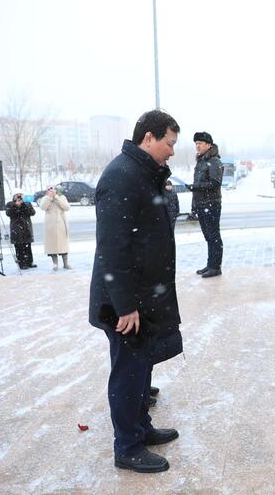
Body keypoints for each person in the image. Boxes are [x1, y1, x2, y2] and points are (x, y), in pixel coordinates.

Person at [88, 109, 184, 473]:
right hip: (124, 304)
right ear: (148, 138)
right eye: (169, 143)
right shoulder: (122, 177)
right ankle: (126, 446)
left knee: (141, 367)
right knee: (128, 372)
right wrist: (125, 305)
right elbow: (113, 248)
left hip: (142, 297)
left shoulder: (142, 173)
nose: (172, 151)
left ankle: (140, 428)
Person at [190, 131, 224, 278]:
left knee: (213, 236)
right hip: (202, 204)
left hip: (211, 204)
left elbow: (215, 183)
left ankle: (215, 267)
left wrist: (196, 186)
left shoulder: (214, 161)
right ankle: (210, 264)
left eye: (200, 143)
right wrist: (194, 205)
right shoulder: (201, 160)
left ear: (208, 145)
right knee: (208, 237)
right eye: (196, 144)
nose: (197, 146)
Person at [39, 185, 71, 270]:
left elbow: (67, 207)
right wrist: (49, 197)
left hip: (61, 223)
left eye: (53, 189)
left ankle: (65, 263)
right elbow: (42, 207)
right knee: (52, 245)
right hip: (50, 225)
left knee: (63, 244)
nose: (51, 191)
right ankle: (55, 264)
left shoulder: (62, 197)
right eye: (49, 189)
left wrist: (56, 198)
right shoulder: (45, 198)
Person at [4, 190, 37, 269]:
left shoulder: (27, 203)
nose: (19, 197)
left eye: (20, 195)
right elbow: (9, 213)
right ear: (14, 196)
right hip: (16, 229)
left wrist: (23, 204)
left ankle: (29, 262)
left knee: (28, 246)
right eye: (17, 195)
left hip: (26, 228)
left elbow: (32, 212)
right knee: (19, 247)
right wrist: (16, 206)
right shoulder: (10, 204)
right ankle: (21, 264)